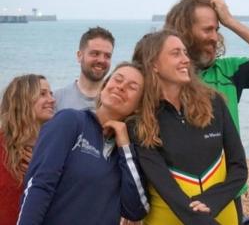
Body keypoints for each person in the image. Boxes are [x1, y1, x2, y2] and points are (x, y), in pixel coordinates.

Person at [130, 30, 248, 225]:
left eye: (185, 53)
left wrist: (211, 201)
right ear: (153, 64)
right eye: (176, 53)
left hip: (223, 213)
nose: (186, 59)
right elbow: (166, 188)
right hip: (169, 218)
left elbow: (239, 168)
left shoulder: (213, 103)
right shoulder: (140, 121)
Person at [17, 62, 149, 225]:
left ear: (139, 106)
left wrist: (125, 146)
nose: (121, 87)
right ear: (104, 87)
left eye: (132, 87)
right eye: (117, 79)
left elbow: (135, 210)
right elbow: (39, 185)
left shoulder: (126, 152)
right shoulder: (70, 121)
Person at [164, 0, 249, 133]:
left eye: (217, 30)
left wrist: (230, 21)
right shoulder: (165, 75)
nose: (215, 37)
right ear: (184, 32)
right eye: (207, 30)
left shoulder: (228, 71)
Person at [0, 74, 55, 225]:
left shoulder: (53, 147)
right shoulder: (1, 142)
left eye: (51, 93)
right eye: (43, 94)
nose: (52, 99)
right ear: (23, 99)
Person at [54, 26, 115, 111]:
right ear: (79, 56)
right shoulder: (58, 99)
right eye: (95, 54)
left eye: (107, 56)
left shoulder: (115, 101)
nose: (101, 60)